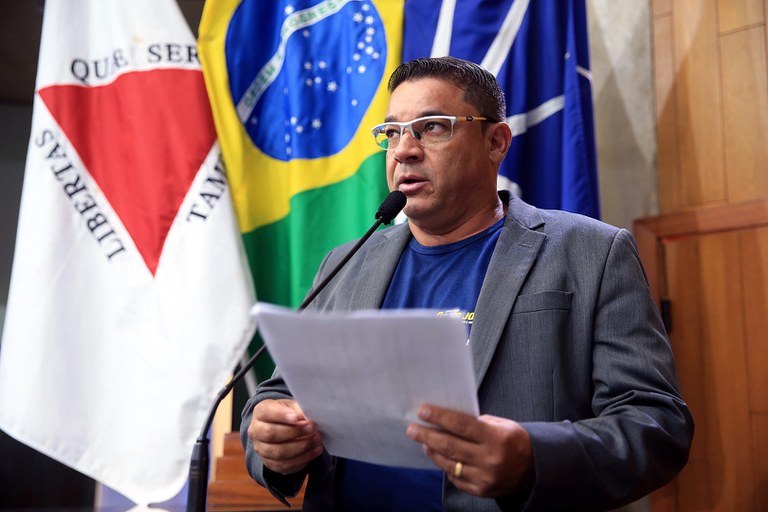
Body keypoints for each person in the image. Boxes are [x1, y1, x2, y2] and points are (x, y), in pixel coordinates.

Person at [240, 56, 694, 511]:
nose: (404, 150)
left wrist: (533, 458)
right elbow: (281, 395)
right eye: (392, 132)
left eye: (432, 127)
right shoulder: (346, 263)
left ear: (496, 142)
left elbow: (656, 424)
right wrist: (271, 434)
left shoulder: (592, 252)